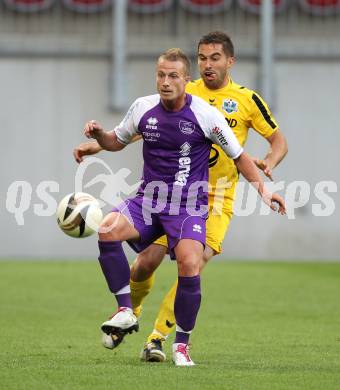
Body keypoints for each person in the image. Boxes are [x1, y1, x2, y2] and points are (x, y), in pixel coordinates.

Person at [77, 47, 285, 366]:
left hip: (188, 206)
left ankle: (181, 345)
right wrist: (99, 136)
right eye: (161, 75)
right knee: (107, 230)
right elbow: (117, 141)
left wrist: (265, 192)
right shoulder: (142, 108)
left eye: (173, 76)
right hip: (148, 198)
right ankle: (125, 311)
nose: (165, 81)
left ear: (186, 81)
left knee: (189, 264)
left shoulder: (206, 116)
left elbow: (240, 157)